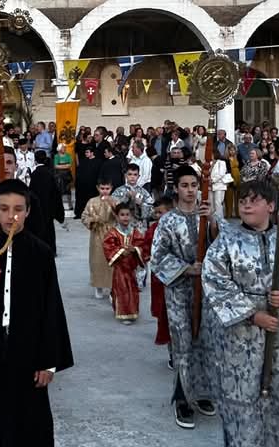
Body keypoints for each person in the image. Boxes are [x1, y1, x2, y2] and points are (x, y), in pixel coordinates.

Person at [203, 179, 279, 446]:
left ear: (271, 206)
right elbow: (215, 280)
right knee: (242, 399)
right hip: (240, 337)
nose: (246, 205)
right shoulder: (226, 241)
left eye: (254, 200)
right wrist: (253, 315)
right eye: (242, 201)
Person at [0, 179, 74, 447]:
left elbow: (51, 307)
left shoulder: (41, 254)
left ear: (28, 211)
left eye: (18, 209)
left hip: (29, 350)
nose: (11, 216)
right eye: (5, 209)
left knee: (30, 420)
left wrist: (48, 361)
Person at [149, 164, 220, 429]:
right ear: (176, 189)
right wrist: (188, 269)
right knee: (183, 343)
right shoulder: (168, 221)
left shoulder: (207, 215)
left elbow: (224, 246)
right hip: (179, 291)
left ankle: (202, 393)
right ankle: (182, 399)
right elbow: (158, 257)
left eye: (194, 185)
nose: (190, 191)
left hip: (207, 292)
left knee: (206, 340)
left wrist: (212, 221)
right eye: (185, 186)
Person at [103, 202, 147, 324]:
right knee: (121, 290)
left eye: (127, 214)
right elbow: (108, 247)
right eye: (122, 215)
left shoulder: (135, 232)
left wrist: (135, 249)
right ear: (117, 217)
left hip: (131, 268)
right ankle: (123, 313)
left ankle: (132, 311)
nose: (125, 217)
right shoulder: (113, 232)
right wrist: (122, 251)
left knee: (133, 290)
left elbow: (142, 245)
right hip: (120, 268)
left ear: (131, 216)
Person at [143, 195, 174, 357]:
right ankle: (170, 346)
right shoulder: (153, 229)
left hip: (178, 276)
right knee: (162, 309)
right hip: (159, 276)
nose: (157, 216)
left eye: (161, 212)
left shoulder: (178, 227)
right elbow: (146, 247)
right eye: (156, 213)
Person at [81, 178, 116, 300]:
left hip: (112, 234)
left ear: (111, 188)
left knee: (112, 261)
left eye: (107, 188)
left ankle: (112, 288)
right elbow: (84, 216)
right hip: (97, 234)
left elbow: (121, 214)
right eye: (102, 188)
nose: (105, 191)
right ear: (97, 188)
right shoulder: (92, 201)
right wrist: (93, 220)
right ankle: (98, 286)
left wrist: (113, 205)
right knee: (97, 261)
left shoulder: (115, 201)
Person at [28, 151, 66, 255]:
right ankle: (51, 251)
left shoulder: (34, 174)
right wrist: (58, 211)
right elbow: (55, 193)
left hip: (38, 207)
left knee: (38, 229)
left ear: (35, 160)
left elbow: (31, 192)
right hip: (49, 207)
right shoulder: (50, 173)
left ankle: (40, 251)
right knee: (49, 229)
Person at [73, 146, 101, 219]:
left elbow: (98, 174)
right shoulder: (83, 161)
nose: (86, 154)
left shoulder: (98, 162)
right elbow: (79, 172)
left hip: (92, 185)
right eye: (85, 152)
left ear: (92, 153)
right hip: (82, 185)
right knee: (81, 199)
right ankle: (79, 214)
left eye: (87, 152)